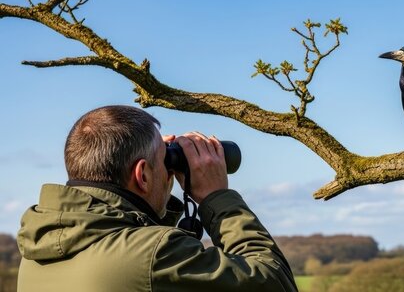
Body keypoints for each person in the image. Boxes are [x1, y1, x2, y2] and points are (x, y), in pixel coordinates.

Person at [16, 105, 298, 292]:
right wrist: (218, 197)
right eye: (166, 162)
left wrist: (156, 163)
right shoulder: (154, 255)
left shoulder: (37, 252)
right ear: (143, 175)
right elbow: (274, 282)